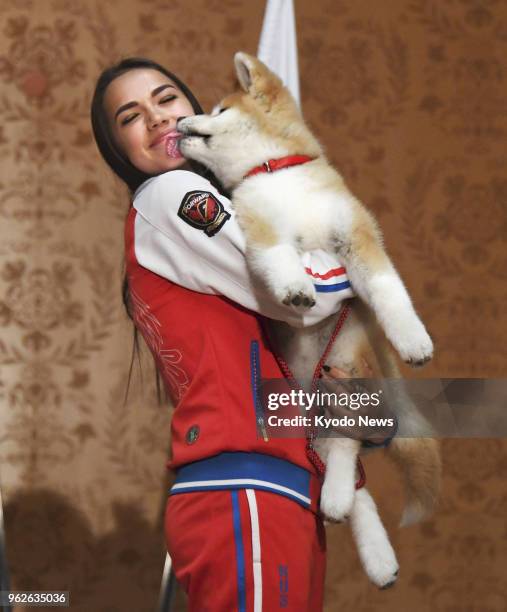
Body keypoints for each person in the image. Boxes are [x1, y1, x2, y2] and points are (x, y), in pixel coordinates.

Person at [90, 57, 394, 611]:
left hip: (274, 486)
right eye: (131, 116)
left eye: (166, 99)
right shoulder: (170, 193)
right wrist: (354, 260)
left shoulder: (198, 214)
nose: (157, 120)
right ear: (120, 151)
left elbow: (271, 378)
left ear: (194, 110)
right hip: (244, 488)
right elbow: (301, 296)